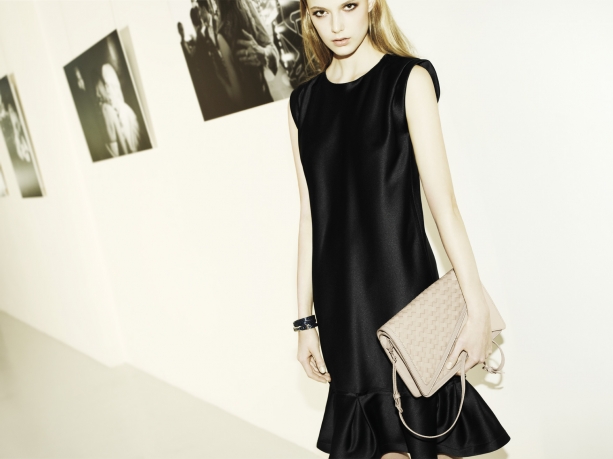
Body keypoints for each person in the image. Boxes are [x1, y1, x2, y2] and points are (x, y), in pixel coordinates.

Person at [287, 1, 511, 458]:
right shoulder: (302, 103)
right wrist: (305, 322)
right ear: (307, 16)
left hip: (403, 294)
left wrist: (477, 311)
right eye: (321, 13)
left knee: (425, 437)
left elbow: (445, 207)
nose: (336, 25)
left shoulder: (409, 79)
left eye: (349, 6)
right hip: (341, 310)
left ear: (371, 3)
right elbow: (311, 216)